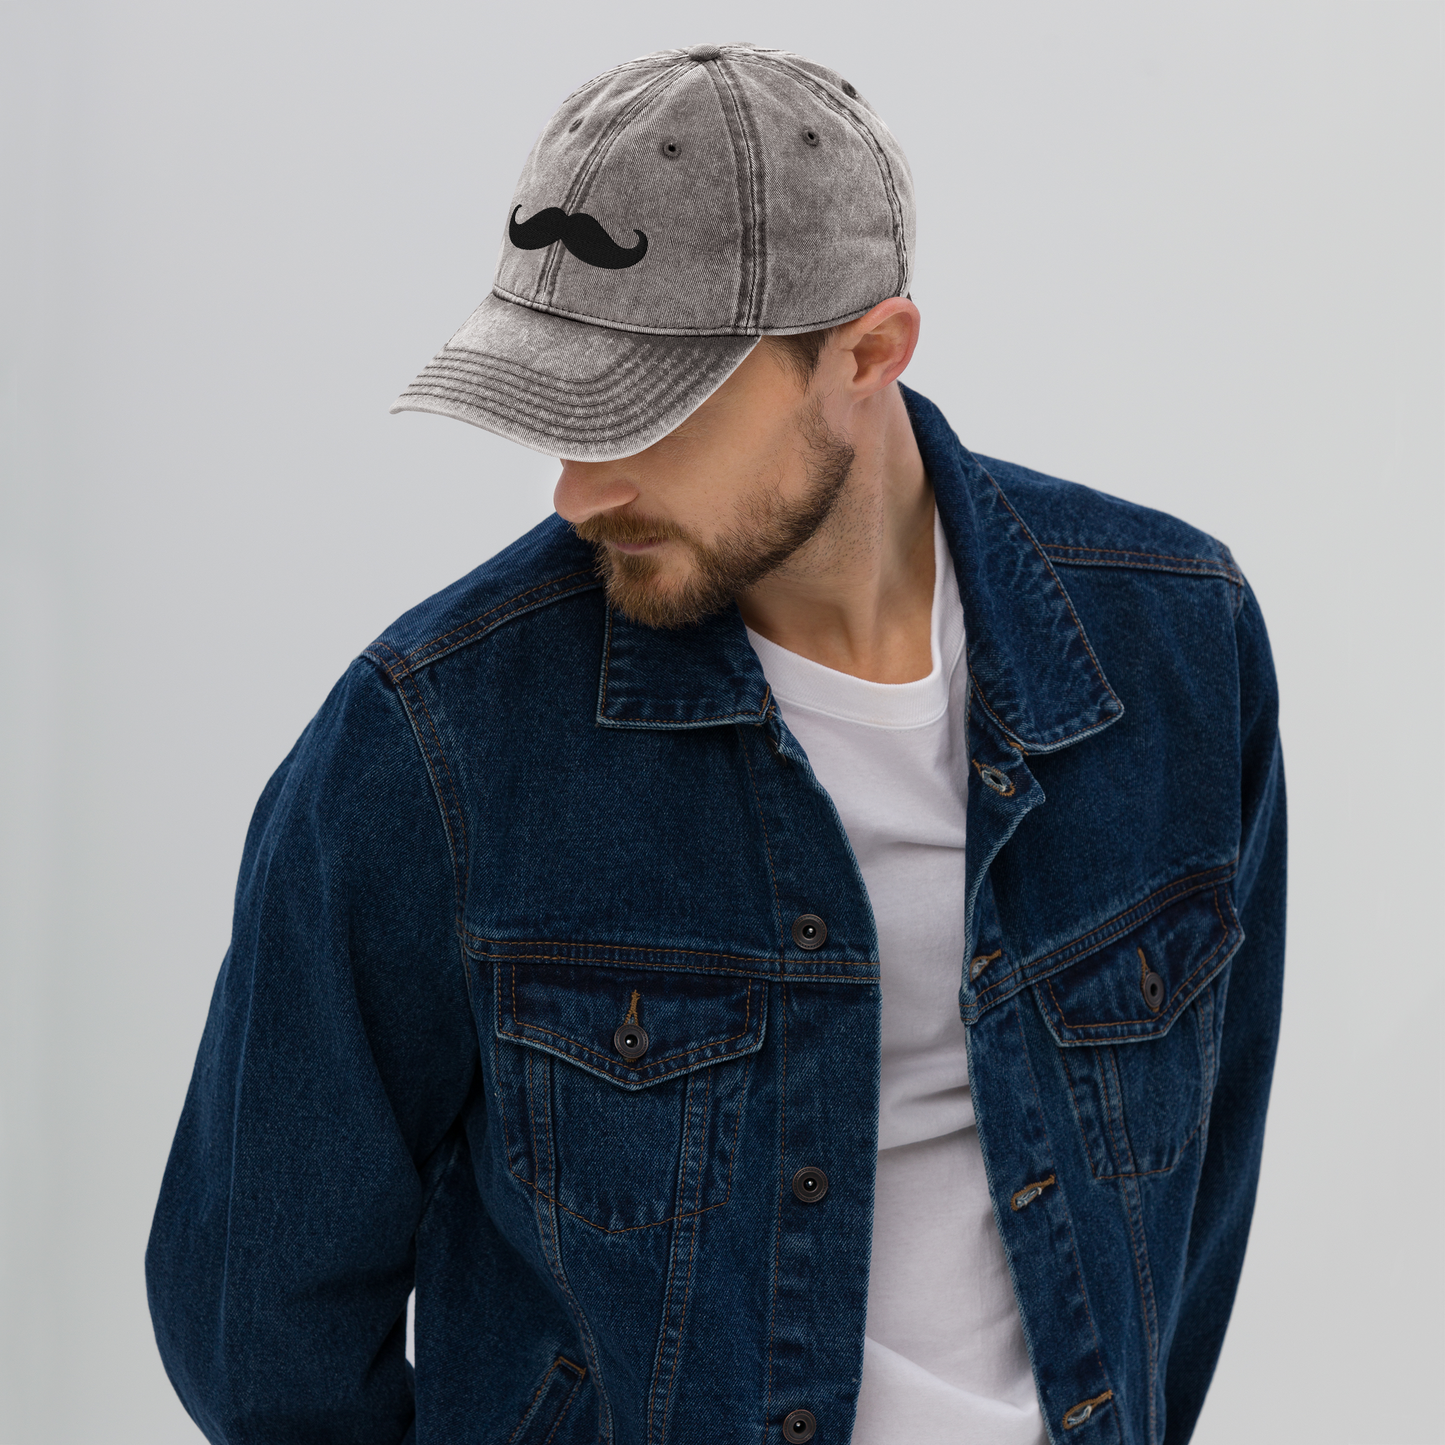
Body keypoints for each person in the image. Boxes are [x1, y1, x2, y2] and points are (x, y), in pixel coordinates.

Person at [146, 42, 1285, 1445]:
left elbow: (1197, 1208)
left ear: (867, 354)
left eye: (646, 411)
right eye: (553, 404)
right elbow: (260, 1327)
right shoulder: (433, 743)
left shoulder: (1178, 650)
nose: (576, 486)